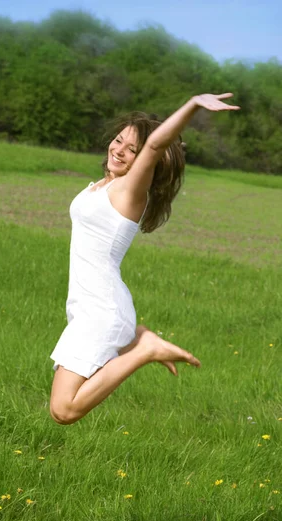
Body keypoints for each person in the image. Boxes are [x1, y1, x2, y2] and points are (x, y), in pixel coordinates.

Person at [50, 93, 240, 425]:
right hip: (92, 306)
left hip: (101, 311)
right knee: (64, 407)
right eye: (118, 140)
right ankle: (143, 339)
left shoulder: (128, 192)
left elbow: (155, 146)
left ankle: (145, 350)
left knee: (64, 410)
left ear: (142, 161)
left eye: (131, 150)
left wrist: (192, 105)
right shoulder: (102, 186)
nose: (119, 150)